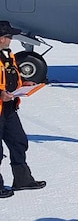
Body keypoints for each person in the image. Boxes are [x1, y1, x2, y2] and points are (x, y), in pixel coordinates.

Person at [0, 20, 46, 197]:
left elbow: (10, 76)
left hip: (9, 108)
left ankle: (22, 180)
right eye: (8, 36)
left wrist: (23, 83)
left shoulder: (8, 55)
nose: (11, 39)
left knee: (19, 141)